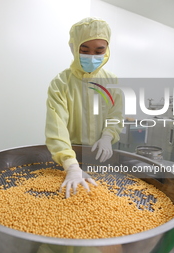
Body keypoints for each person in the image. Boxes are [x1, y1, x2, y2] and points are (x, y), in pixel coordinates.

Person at [45, 17, 123, 198]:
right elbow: (56, 127)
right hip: (68, 157)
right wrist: (71, 166)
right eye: (84, 50)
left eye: (99, 50)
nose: (92, 56)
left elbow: (116, 115)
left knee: (103, 197)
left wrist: (107, 136)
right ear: (74, 48)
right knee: (68, 199)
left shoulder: (112, 82)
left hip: (101, 156)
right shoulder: (61, 83)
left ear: (107, 50)